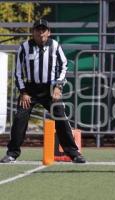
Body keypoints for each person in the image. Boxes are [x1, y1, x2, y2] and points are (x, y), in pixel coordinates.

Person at [0, 19, 86, 163]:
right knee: (20, 118)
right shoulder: (24, 47)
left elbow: (64, 66)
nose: (41, 32)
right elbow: (18, 72)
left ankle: (74, 153)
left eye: (43, 29)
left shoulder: (55, 46)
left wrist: (58, 87)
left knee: (60, 118)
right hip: (30, 89)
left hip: (50, 89)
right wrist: (23, 92)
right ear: (32, 32)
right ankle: (12, 153)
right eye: (37, 30)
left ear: (49, 32)